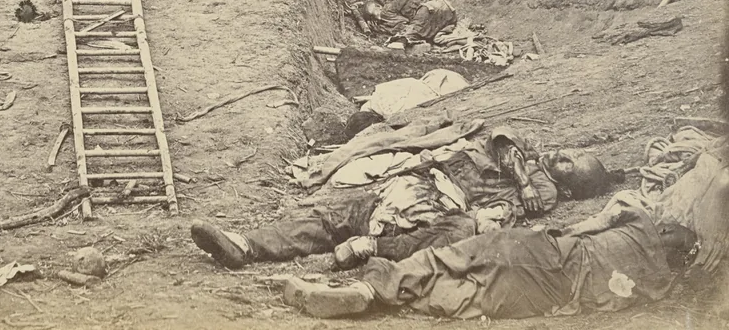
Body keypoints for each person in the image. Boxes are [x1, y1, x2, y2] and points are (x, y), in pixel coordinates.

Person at [191, 129, 620, 270]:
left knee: (447, 232)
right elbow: (503, 143)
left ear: (567, 188)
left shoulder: (542, 190)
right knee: (329, 215)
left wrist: (526, 185)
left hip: (436, 205)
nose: (562, 156)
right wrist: (523, 176)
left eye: (570, 165)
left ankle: (368, 250)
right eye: (571, 152)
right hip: (413, 180)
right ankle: (244, 244)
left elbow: (513, 194)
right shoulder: (524, 154)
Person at [283, 204, 696, 319]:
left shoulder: (641, 221)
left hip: (542, 251)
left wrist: (566, 234)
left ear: (664, 233)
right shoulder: (657, 286)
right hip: (543, 297)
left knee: (444, 256)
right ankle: (385, 298)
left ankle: (366, 288)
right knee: (465, 295)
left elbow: (596, 219)